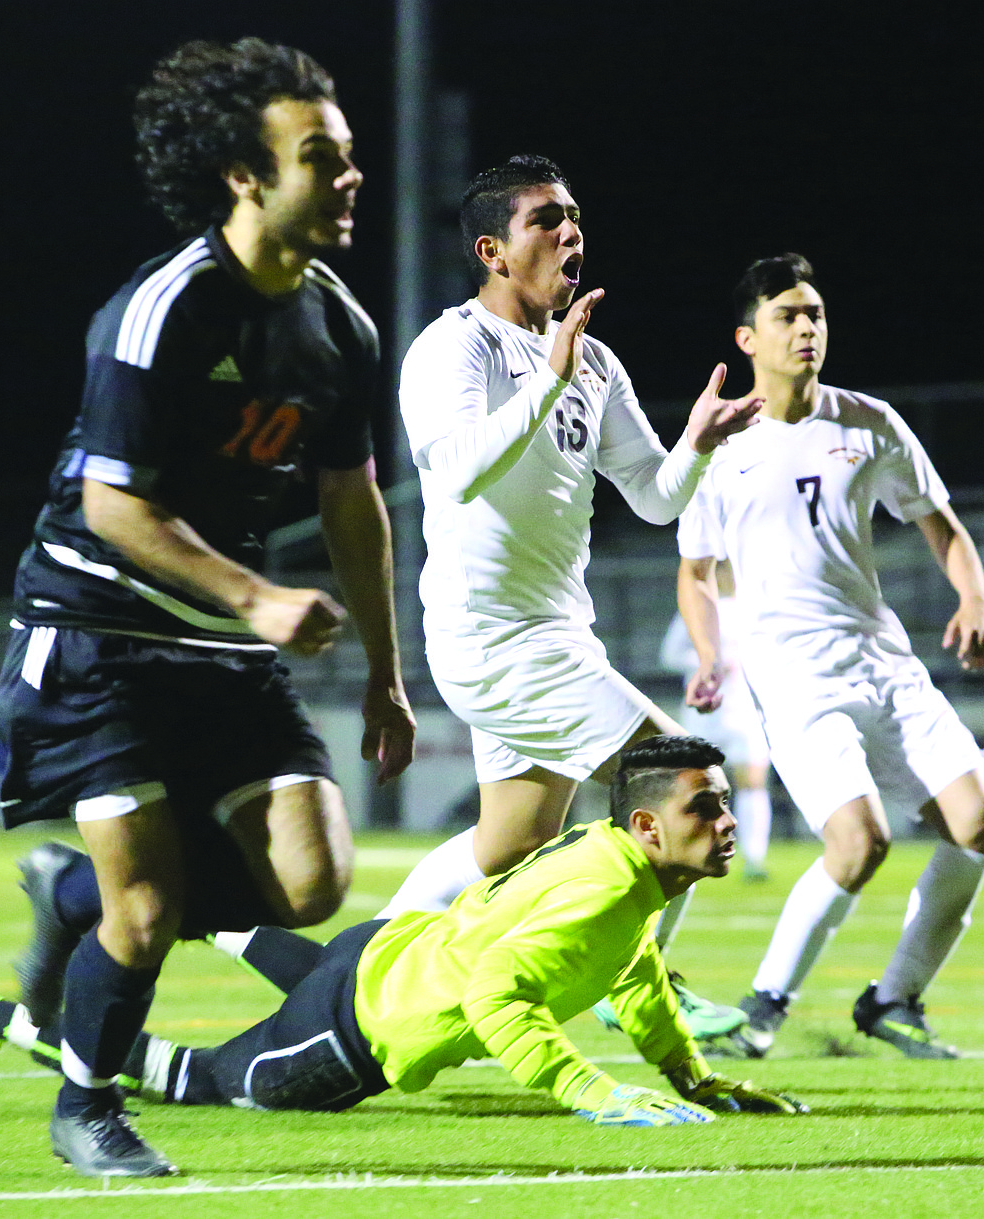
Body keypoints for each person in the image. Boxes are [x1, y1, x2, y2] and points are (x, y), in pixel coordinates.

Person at [0, 38, 415, 1177]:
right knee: (148, 913)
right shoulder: (163, 309)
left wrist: (385, 670)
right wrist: (259, 596)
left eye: (351, 155)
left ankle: (69, 891)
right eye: (320, 157)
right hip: (99, 634)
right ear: (244, 175)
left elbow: (351, 498)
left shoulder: (343, 326)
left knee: (312, 880)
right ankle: (88, 1108)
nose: (349, 177)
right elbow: (111, 507)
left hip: (224, 645)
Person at [0, 737, 805, 1136]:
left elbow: (634, 969)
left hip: (379, 951)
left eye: (725, 802)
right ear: (648, 826)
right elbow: (496, 993)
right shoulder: (612, 887)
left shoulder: (618, 862)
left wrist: (689, 1073)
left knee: (219, 919)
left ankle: (71, 881)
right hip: (351, 1035)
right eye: (707, 806)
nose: (728, 820)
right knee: (190, 1078)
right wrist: (596, 1093)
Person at [376, 155, 760, 1036]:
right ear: (492, 250)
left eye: (575, 215)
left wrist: (696, 441)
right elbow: (460, 468)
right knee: (682, 776)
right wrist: (548, 377)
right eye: (546, 219)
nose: (570, 231)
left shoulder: (594, 362)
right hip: (490, 639)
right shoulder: (453, 346)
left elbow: (656, 499)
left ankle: (369, 959)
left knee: (506, 844)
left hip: (558, 638)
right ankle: (649, 986)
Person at [675, 253, 984, 1059]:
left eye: (816, 313)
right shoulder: (722, 445)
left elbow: (941, 525)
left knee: (980, 823)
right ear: (747, 337)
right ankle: (763, 1008)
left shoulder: (870, 422)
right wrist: (712, 654)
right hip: (795, 675)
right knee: (860, 843)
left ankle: (893, 999)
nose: (807, 327)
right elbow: (694, 572)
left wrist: (977, 598)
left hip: (884, 661)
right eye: (789, 315)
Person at [659, 560, 774, 880]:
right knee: (694, 785)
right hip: (706, 713)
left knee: (752, 780)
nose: (730, 576)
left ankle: (754, 859)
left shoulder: (757, 609)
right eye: (723, 569)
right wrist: (708, 663)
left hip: (748, 711)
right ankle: (690, 851)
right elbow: (669, 655)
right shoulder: (699, 609)